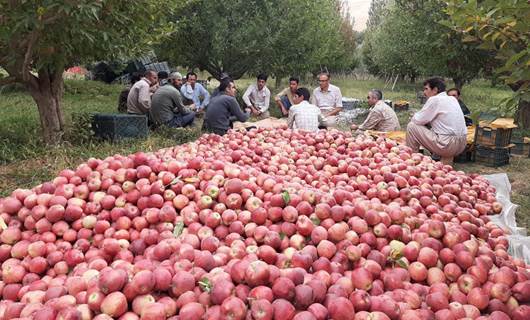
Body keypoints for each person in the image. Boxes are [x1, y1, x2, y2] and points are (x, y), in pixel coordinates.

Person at [406, 78, 467, 162]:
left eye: (426, 89)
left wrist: (414, 115)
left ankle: (412, 159)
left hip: (447, 145)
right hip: (462, 144)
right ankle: (446, 165)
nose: (424, 92)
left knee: (411, 126)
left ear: (435, 90)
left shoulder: (435, 99)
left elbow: (418, 120)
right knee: (442, 130)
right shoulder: (452, 99)